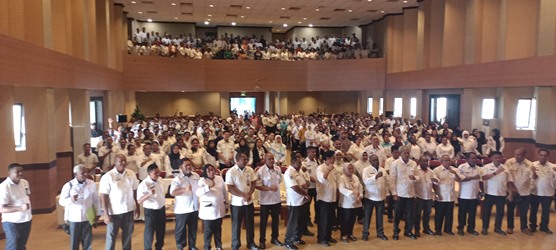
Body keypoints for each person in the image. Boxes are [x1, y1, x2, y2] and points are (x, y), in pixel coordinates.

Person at [99, 154, 140, 250]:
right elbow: (103, 196)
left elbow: (135, 191)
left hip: (128, 211)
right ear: (115, 162)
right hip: (114, 212)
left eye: (124, 160)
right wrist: (105, 214)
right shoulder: (108, 176)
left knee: (127, 236)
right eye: (120, 161)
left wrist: (137, 207)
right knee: (111, 237)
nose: (123, 162)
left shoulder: (131, 173)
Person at [59, 164, 101, 250]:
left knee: (87, 242)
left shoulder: (91, 183)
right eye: (82, 173)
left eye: (86, 172)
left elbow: (96, 200)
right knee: (75, 242)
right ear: (75, 174)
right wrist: (71, 199)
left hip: (87, 217)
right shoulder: (69, 185)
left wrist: (98, 213)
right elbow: (61, 201)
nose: (85, 174)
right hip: (74, 218)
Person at [225, 152, 260, 250]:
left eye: (246, 159)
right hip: (236, 203)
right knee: (236, 224)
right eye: (243, 159)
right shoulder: (231, 172)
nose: (246, 161)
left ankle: (251, 243)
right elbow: (230, 188)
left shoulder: (249, 170)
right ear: (237, 161)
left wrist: (249, 194)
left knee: (250, 223)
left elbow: (253, 182)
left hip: (248, 201)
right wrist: (243, 195)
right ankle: (235, 245)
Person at [389, 146, 419, 240]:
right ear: (400, 153)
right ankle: (396, 231)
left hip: (410, 193)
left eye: (408, 153)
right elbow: (392, 180)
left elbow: (418, 175)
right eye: (405, 153)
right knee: (397, 214)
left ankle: (408, 231)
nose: (407, 154)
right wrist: (394, 193)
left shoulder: (413, 163)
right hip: (399, 194)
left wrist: (415, 178)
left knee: (410, 214)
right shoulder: (395, 163)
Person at [480, 151, 514, 236]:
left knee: (500, 213)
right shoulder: (486, 167)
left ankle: (498, 228)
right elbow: (483, 178)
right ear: (491, 158)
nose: (498, 159)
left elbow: (509, 182)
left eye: (499, 157)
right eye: (495, 157)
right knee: (486, 212)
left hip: (501, 194)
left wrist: (510, 193)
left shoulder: (506, 168)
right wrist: (496, 172)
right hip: (489, 193)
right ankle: (485, 228)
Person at [0, 163, 32, 250]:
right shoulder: (4, 187)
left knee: (21, 246)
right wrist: (20, 208)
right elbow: (2, 208)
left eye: (21, 171)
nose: (20, 173)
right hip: (12, 222)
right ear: (9, 173)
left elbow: (27, 196)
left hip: (26, 219)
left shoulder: (25, 182)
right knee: (13, 246)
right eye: (17, 171)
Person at [170, 158, 200, 250]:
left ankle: (192, 246)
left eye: (189, 165)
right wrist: (184, 189)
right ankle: (180, 246)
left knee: (193, 229)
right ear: (180, 167)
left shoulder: (196, 176)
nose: (188, 167)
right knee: (181, 230)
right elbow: (173, 192)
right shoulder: (177, 179)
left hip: (194, 207)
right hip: (182, 209)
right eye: (186, 165)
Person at [196, 164, 228, 250]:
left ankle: (218, 246)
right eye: (208, 170)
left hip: (219, 207)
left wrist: (227, 203)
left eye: (212, 169)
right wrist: (208, 187)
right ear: (205, 172)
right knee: (208, 230)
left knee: (218, 229)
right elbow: (198, 193)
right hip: (208, 210)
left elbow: (225, 192)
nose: (211, 172)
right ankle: (207, 247)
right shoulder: (202, 181)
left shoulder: (219, 178)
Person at [256, 153, 284, 249]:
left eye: (272, 158)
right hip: (265, 201)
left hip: (276, 199)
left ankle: (275, 238)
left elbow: (279, 180)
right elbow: (257, 186)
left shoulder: (278, 169)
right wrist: (269, 188)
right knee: (263, 222)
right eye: (269, 159)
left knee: (276, 220)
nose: (271, 160)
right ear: (264, 159)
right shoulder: (261, 171)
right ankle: (262, 241)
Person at [283, 154, 310, 250]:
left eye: (300, 163)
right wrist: (305, 194)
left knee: (300, 221)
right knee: (293, 222)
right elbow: (294, 187)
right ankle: (288, 241)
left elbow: (306, 182)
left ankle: (297, 238)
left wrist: (306, 184)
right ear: (292, 163)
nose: (300, 165)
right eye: (298, 163)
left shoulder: (299, 171)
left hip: (302, 201)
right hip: (294, 201)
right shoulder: (289, 172)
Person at [504, 147, 533, 234]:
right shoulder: (509, 162)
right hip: (511, 191)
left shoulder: (530, 164)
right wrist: (511, 189)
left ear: (524, 155)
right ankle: (510, 227)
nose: (516, 156)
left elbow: (531, 178)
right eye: (515, 154)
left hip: (525, 192)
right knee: (510, 210)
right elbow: (507, 176)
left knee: (524, 211)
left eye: (519, 154)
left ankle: (524, 227)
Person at [137, 164, 167, 250]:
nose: (158, 174)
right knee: (149, 232)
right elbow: (139, 201)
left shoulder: (160, 180)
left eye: (158, 172)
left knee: (161, 232)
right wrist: (148, 194)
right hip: (151, 211)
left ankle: (159, 247)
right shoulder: (144, 184)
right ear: (149, 173)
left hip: (161, 209)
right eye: (155, 173)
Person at [361, 154, 389, 241]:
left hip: (380, 197)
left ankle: (380, 233)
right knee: (367, 216)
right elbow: (365, 181)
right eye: (374, 160)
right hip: (370, 198)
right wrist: (375, 177)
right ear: (370, 161)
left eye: (377, 160)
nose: (376, 162)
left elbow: (386, 183)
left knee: (380, 216)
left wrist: (387, 194)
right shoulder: (366, 170)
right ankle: (365, 233)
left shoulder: (383, 170)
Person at [433, 155, 461, 235]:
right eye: (446, 160)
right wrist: (437, 194)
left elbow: (459, 180)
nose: (448, 162)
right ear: (441, 162)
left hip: (450, 196)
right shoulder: (437, 170)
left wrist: (455, 173)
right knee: (439, 215)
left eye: (449, 160)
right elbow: (434, 184)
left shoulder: (454, 169)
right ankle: (438, 230)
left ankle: (448, 229)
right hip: (441, 195)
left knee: (449, 215)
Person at [529, 149, 555, 234]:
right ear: (538, 155)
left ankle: (544, 227)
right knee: (533, 210)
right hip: (535, 192)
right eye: (541, 155)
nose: (543, 157)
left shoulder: (552, 166)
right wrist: (533, 173)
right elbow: (530, 178)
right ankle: (533, 226)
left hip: (548, 193)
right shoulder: (533, 165)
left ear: (548, 156)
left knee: (546, 211)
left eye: (545, 155)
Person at [316, 150, 338, 246]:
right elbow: (322, 180)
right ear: (328, 158)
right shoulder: (320, 168)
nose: (334, 159)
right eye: (333, 158)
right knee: (323, 220)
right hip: (323, 198)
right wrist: (328, 169)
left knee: (331, 219)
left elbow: (336, 182)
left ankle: (328, 236)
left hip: (332, 197)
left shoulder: (335, 168)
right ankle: (322, 238)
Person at [456, 152, 481, 236]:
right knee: (462, 213)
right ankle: (460, 228)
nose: (474, 160)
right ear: (467, 159)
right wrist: (473, 177)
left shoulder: (478, 168)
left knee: (472, 213)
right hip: (464, 195)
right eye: (472, 158)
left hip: (474, 195)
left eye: (475, 158)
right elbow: (461, 179)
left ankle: (471, 228)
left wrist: (480, 191)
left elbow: (480, 181)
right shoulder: (462, 167)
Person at [338, 162, 363, 243]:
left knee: (352, 219)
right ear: (345, 169)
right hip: (346, 203)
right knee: (345, 220)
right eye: (349, 168)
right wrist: (352, 193)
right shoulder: (342, 177)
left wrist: (360, 195)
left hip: (356, 202)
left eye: (352, 168)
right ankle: (344, 235)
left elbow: (360, 187)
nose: (351, 170)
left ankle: (350, 233)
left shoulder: (355, 177)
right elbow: (341, 189)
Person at [414, 156, 438, 237]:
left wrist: (435, 181)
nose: (425, 163)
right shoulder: (416, 171)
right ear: (419, 162)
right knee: (417, 214)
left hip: (429, 196)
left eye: (426, 161)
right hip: (419, 196)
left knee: (427, 214)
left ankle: (426, 229)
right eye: (423, 161)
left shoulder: (431, 171)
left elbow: (436, 181)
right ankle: (417, 230)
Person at [302, 146, 319, 227]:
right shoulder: (304, 163)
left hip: (316, 186)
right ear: (308, 152)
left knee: (317, 203)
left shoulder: (316, 161)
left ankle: (317, 218)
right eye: (313, 152)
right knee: (307, 205)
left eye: (315, 152)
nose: (314, 153)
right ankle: (307, 220)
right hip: (308, 187)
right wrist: (309, 178)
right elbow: (303, 174)